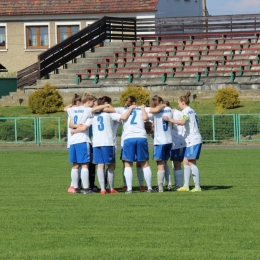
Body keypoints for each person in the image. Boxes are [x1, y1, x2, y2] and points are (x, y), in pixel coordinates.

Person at [90, 96, 135, 194]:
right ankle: (111, 188)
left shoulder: (93, 114)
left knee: (100, 166)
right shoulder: (109, 114)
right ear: (106, 103)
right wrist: (130, 109)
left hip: (96, 143)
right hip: (107, 142)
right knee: (111, 165)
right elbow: (123, 117)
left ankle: (102, 189)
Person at [68, 94, 110, 194]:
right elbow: (95, 109)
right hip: (82, 140)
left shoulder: (73, 109)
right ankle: (86, 189)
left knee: (75, 165)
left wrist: (74, 129)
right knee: (85, 165)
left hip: (73, 141)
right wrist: (105, 105)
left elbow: (70, 124)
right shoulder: (87, 110)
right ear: (89, 101)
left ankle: (75, 188)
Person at [163, 92, 202, 192]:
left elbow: (182, 122)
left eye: (179, 103)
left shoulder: (185, 111)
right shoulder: (192, 111)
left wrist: (170, 119)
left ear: (183, 102)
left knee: (191, 162)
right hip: (190, 140)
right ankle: (186, 185)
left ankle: (197, 187)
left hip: (193, 140)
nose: (178, 105)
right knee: (185, 161)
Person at [117, 96, 153, 193]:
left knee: (128, 164)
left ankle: (129, 188)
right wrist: (143, 108)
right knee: (145, 163)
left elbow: (110, 109)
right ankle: (149, 187)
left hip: (128, 138)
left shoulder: (122, 110)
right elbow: (146, 118)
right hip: (141, 137)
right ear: (135, 102)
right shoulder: (142, 109)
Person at [149, 95, 173, 193]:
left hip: (160, 141)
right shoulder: (169, 110)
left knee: (160, 164)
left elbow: (152, 112)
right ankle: (169, 184)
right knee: (165, 162)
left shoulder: (156, 110)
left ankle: (160, 188)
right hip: (169, 140)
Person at [170, 107, 186, 190]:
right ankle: (177, 184)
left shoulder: (179, 113)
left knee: (178, 163)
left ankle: (180, 185)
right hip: (173, 143)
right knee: (174, 164)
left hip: (179, 142)